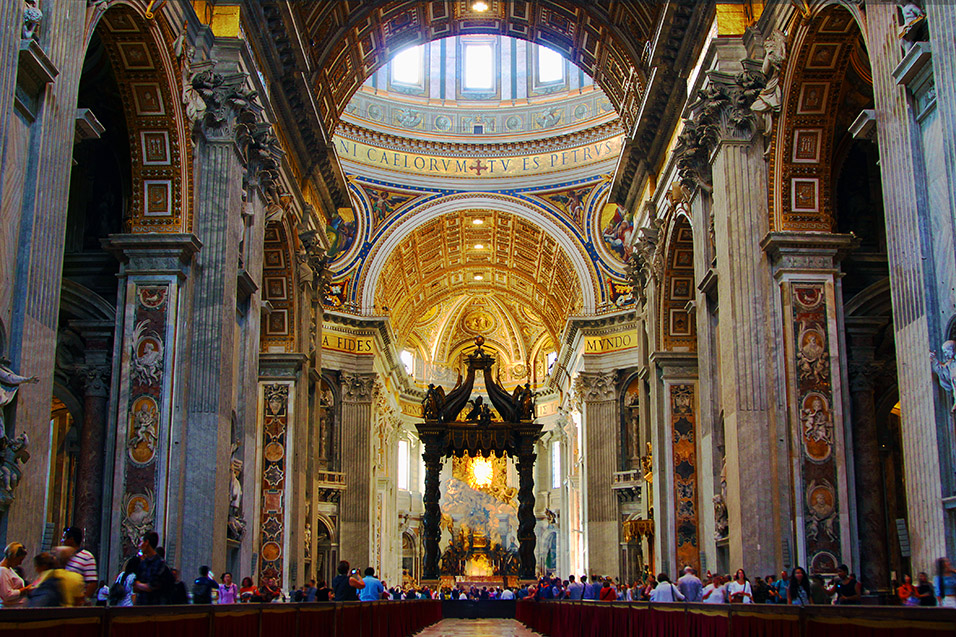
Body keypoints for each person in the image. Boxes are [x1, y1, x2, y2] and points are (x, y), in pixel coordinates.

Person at [134, 531, 173, 605]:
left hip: (154, 607)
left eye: (141, 542)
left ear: (146, 543)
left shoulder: (160, 564)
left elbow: (152, 586)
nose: (139, 545)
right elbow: (135, 587)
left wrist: (139, 585)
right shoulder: (143, 563)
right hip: (141, 606)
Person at [62, 527, 98, 603]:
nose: (62, 541)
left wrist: (83, 601)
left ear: (71, 540)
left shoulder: (87, 557)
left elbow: (92, 583)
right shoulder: (63, 555)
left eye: (64, 538)